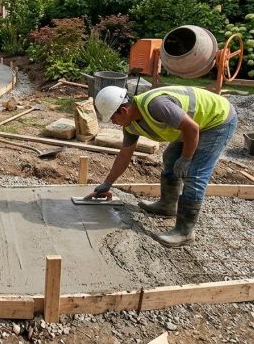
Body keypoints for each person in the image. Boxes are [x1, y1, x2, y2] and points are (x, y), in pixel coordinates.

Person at [91, 85, 238, 247]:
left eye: (113, 118)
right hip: (193, 124)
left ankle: (185, 233)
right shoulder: (130, 126)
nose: (113, 122)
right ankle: (168, 205)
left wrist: (186, 158)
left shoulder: (157, 106)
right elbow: (125, 155)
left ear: (124, 111)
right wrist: (108, 183)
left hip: (218, 120)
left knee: (195, 173)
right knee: (171, 156)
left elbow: (192, 129)